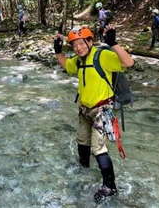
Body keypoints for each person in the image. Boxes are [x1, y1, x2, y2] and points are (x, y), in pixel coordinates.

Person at [53, 25, 134, 203]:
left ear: (90, 41)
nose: (77, 48)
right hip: (84, 110)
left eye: (81, 44)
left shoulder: (102, 55)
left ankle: (110, 187)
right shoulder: (79, 60)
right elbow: (67, 66)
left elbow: (128, 63)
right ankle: (83, 168)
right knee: (82, 141)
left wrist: (113, 43)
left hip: (102, 111)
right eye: (74, 45)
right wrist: (58, 50)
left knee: (98, 149)